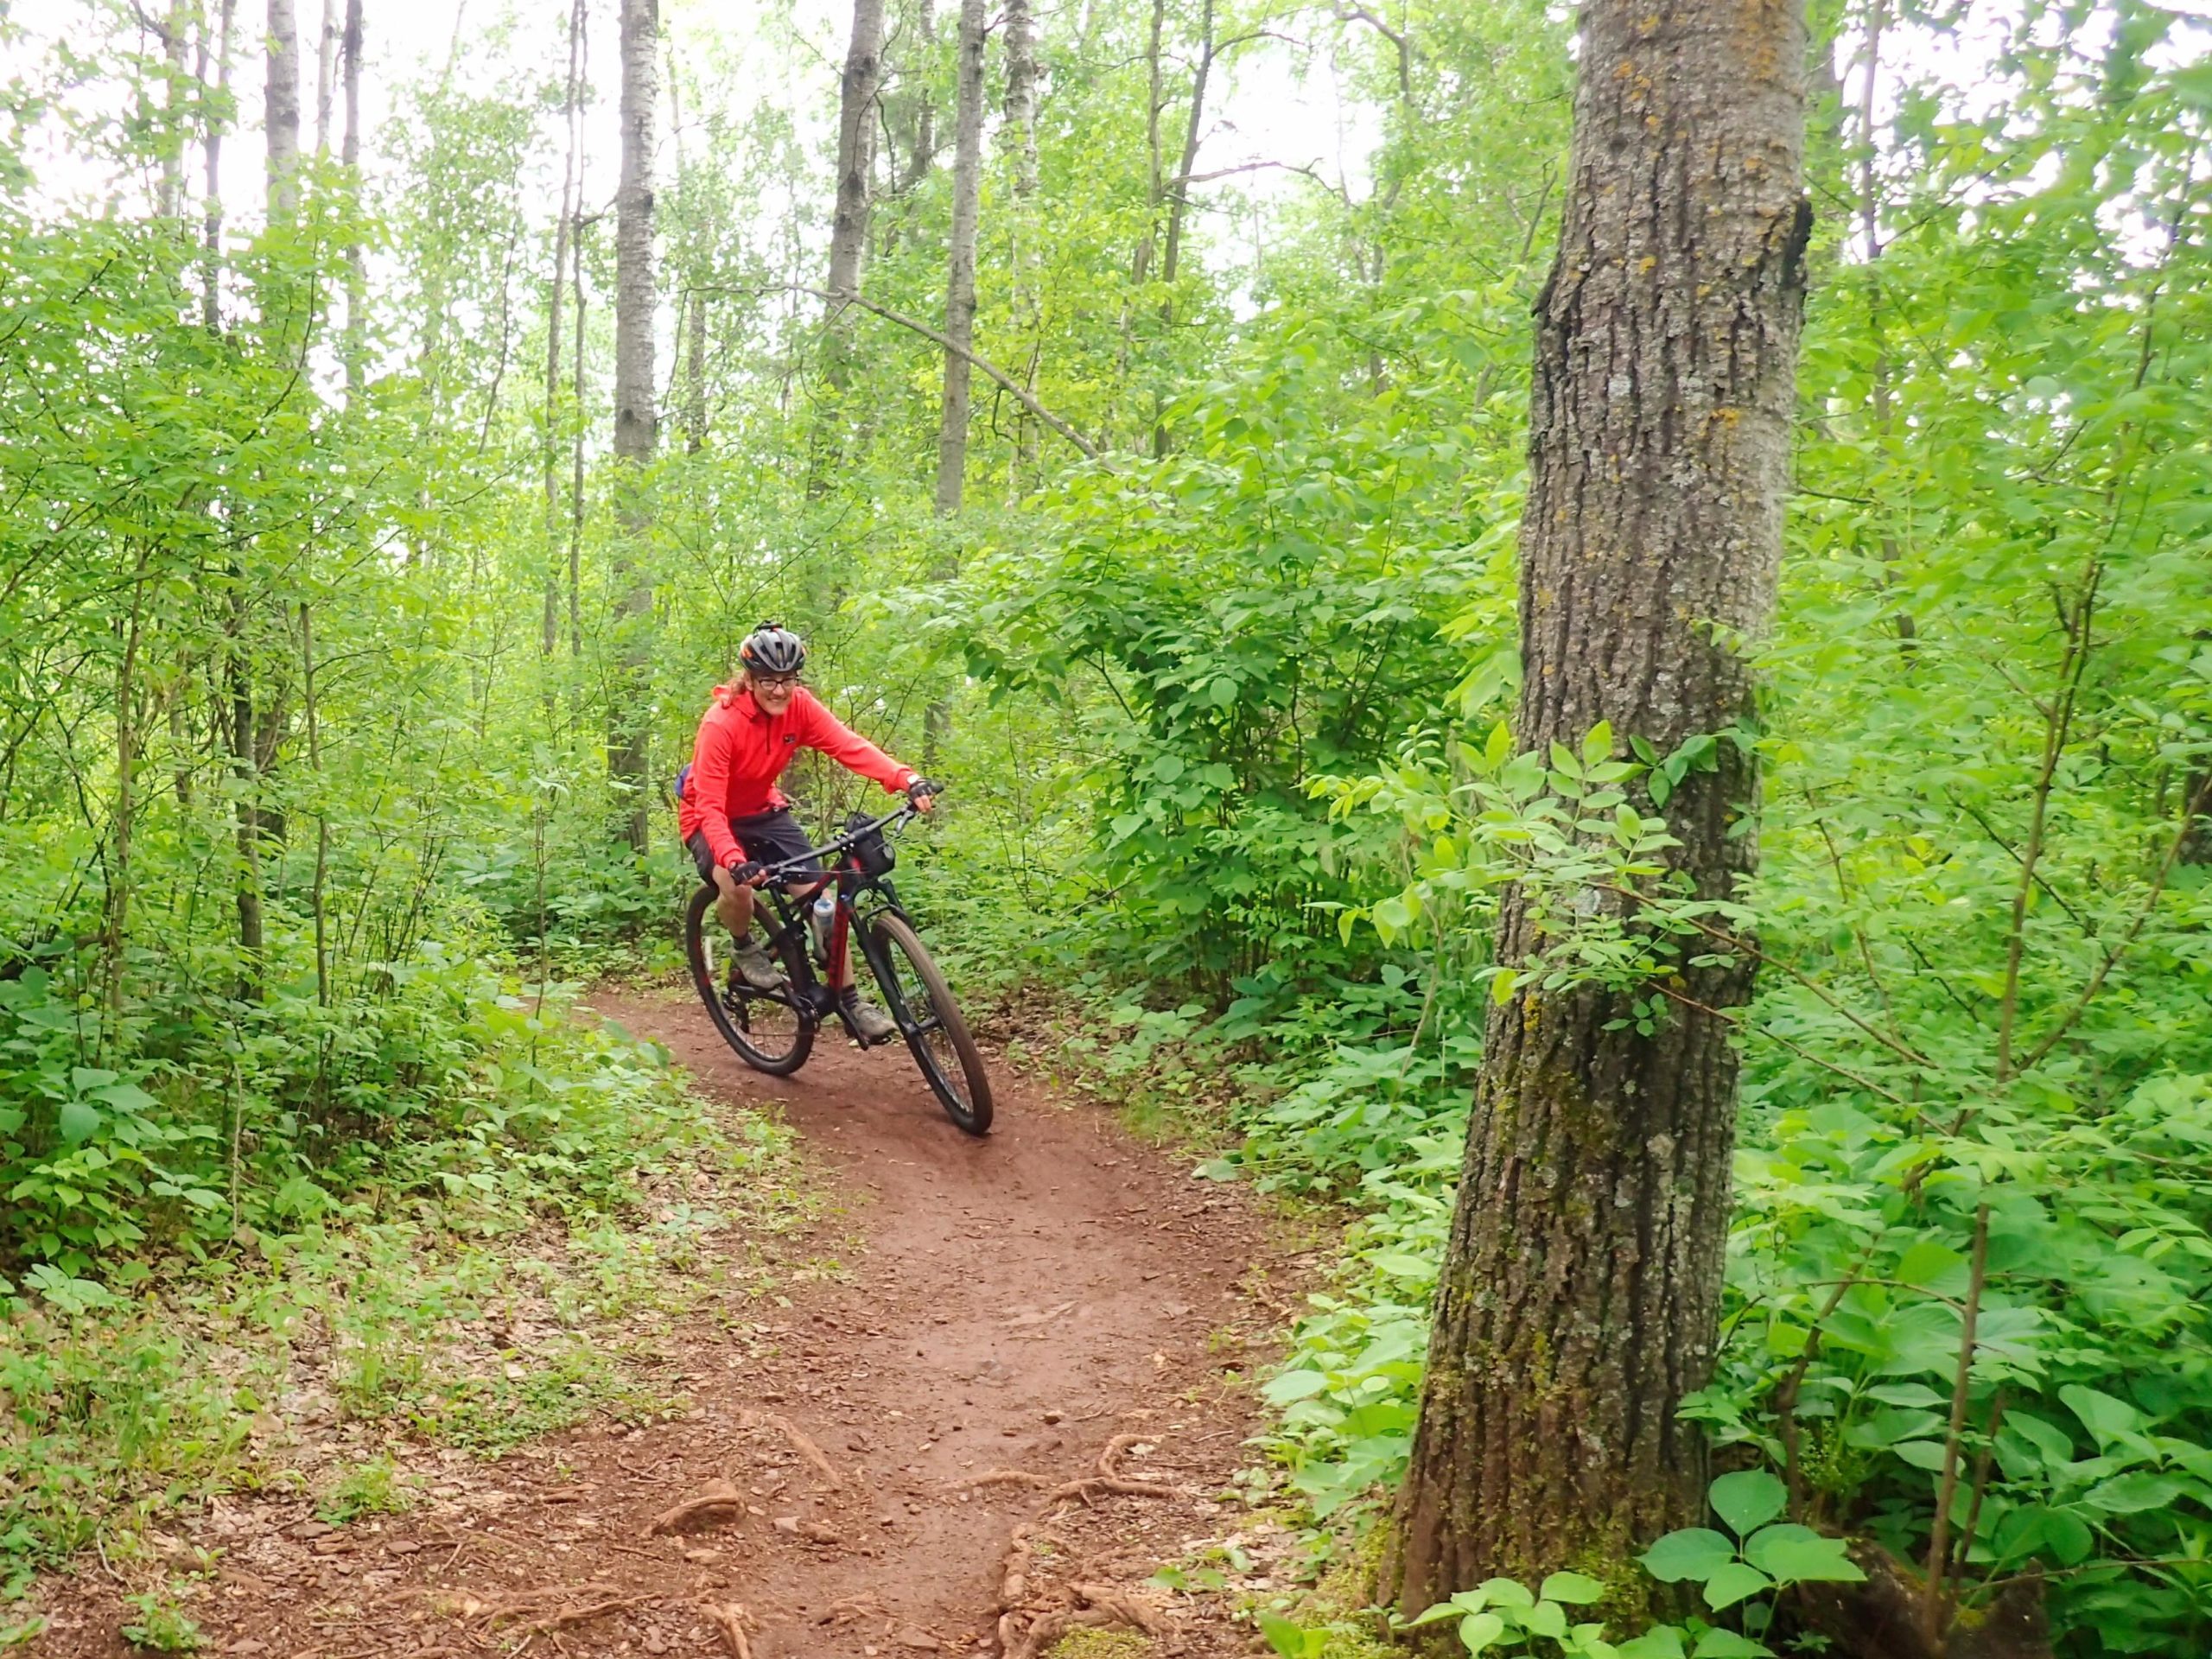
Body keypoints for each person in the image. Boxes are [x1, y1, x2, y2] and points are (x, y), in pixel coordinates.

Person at [677, 622, 935, 1045]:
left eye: (787, 680)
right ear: (749, 679)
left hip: (764, 809)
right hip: (711, 815)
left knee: (822, 902)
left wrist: (906, 779)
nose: (779, 690)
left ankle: (851, 1001)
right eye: (767, 681)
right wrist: (735, 860)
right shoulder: (720, 725)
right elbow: (708, 804)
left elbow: (848, 745)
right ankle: (744, 946)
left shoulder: (800, 706)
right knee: (736, 886)